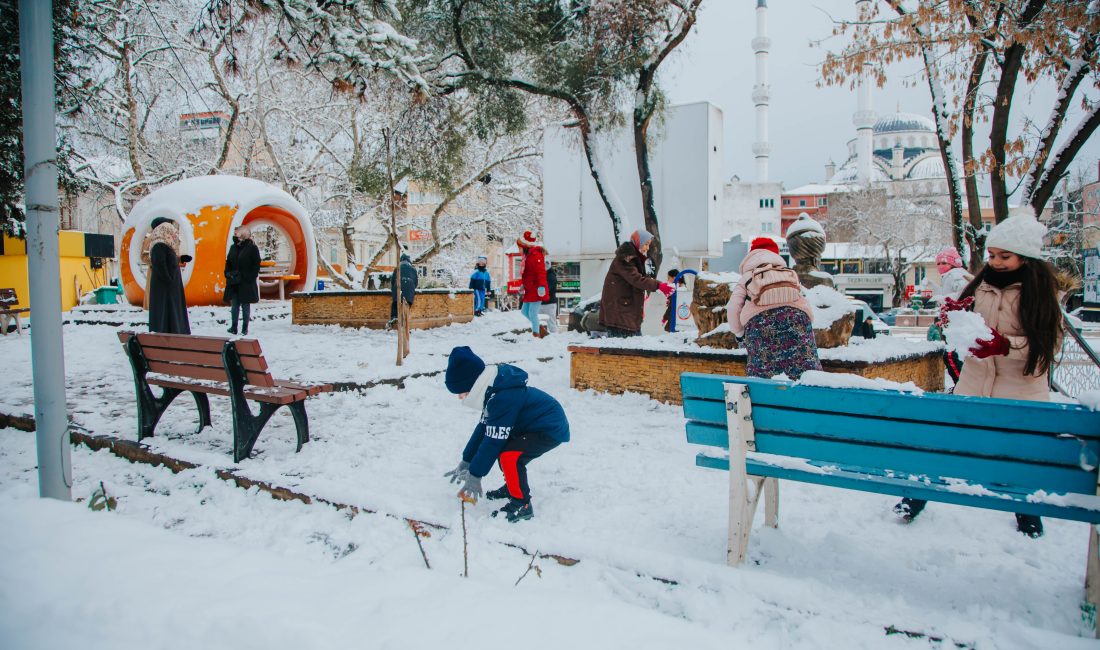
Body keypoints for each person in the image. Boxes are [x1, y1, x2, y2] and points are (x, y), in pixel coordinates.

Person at [895, 214, 1062, 538]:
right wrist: (954, 319)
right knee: (949, 444)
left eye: (1005, 256)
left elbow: (1048, 343)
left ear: (1025, 257)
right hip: (974, 384)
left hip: (1020, 392)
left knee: (1019, 456)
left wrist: (1004, 346)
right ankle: (915, 498)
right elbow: (967, 327)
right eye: (993, 255)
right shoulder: (981, 285)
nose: (996, 262)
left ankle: (1028, 515)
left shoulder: (1039, 292)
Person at [442, 346, 570, 523]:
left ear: (472, 385)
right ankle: (513, 486)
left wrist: (476, 475)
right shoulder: (493, 393)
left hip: (549, 427)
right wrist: (467, 460)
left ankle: (522, 504)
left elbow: (493, 441)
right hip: (531, 426)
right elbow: (483, 431)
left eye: (461, 392)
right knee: (506, 453)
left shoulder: (502, 398)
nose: (460, 397)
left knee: (509, 456)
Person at [727, 237, 821, 380]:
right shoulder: (788, 273)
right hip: (797, 322)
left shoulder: (748, 276)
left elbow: (733, 308)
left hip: (761, 328)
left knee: (762, 379)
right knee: (806, 376)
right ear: (775, 255)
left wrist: (740, 334)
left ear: (752, 254)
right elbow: (805, 304)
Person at [599, 229, 674, 337]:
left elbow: (639, 279)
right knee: (626, 351)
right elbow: (637, 280)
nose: (647, 248)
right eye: (646, 244)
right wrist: (659, 286)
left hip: (625, 317)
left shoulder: (633, 258)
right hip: (620, 317)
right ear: (638, 242)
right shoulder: (625, 259)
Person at [145, 219, 191, 335]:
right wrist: (169, 280)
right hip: (166, 290)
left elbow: (167, 260)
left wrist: (180, 259)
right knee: (167, 314)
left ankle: (176, 332)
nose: (174, 233)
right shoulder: (159, 245)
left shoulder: (164, 244)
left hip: (168, 288)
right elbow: (160, 264)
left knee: (172, 313)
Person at [224, 225, 261, 335]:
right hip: (235, 280)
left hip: (246, 281)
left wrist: (249, 277)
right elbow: (228, 262)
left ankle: (245, 328)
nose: (234, 236)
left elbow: (256, 265)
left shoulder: (252, 248)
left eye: (236, 234)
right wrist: (227, 273)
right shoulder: (233, 247)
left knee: (245, 305)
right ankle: (234, 327)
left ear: (243, 235)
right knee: (234, 304)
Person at [516, 231, 549, 337]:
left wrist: (541, 286)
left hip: (537, 289)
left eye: (520, 248)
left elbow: (541, 272)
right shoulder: (528, 256)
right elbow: (527, 274)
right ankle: (540, 329)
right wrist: (523, 285)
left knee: (532, 313)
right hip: (530, 289)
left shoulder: (536, 255)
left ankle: (536, 335)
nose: (519, 250)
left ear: (525, 246)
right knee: (524, 312)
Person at [389, 252, 418, 322]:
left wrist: (393, 290)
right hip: (410, 288)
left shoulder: (397, 268)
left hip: (398, 287)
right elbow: (416, 282)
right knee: (407, 304)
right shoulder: (413, 269)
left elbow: (392, 281)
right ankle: (405, 320)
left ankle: (394, 317)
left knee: (395, 304)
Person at [538, 259, 559, 334]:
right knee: (541, 323)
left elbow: (546, 289)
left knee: (551, 323)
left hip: (549, 304)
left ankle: (554, 340)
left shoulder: (551, 276)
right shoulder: (542, 274)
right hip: (542, 303)